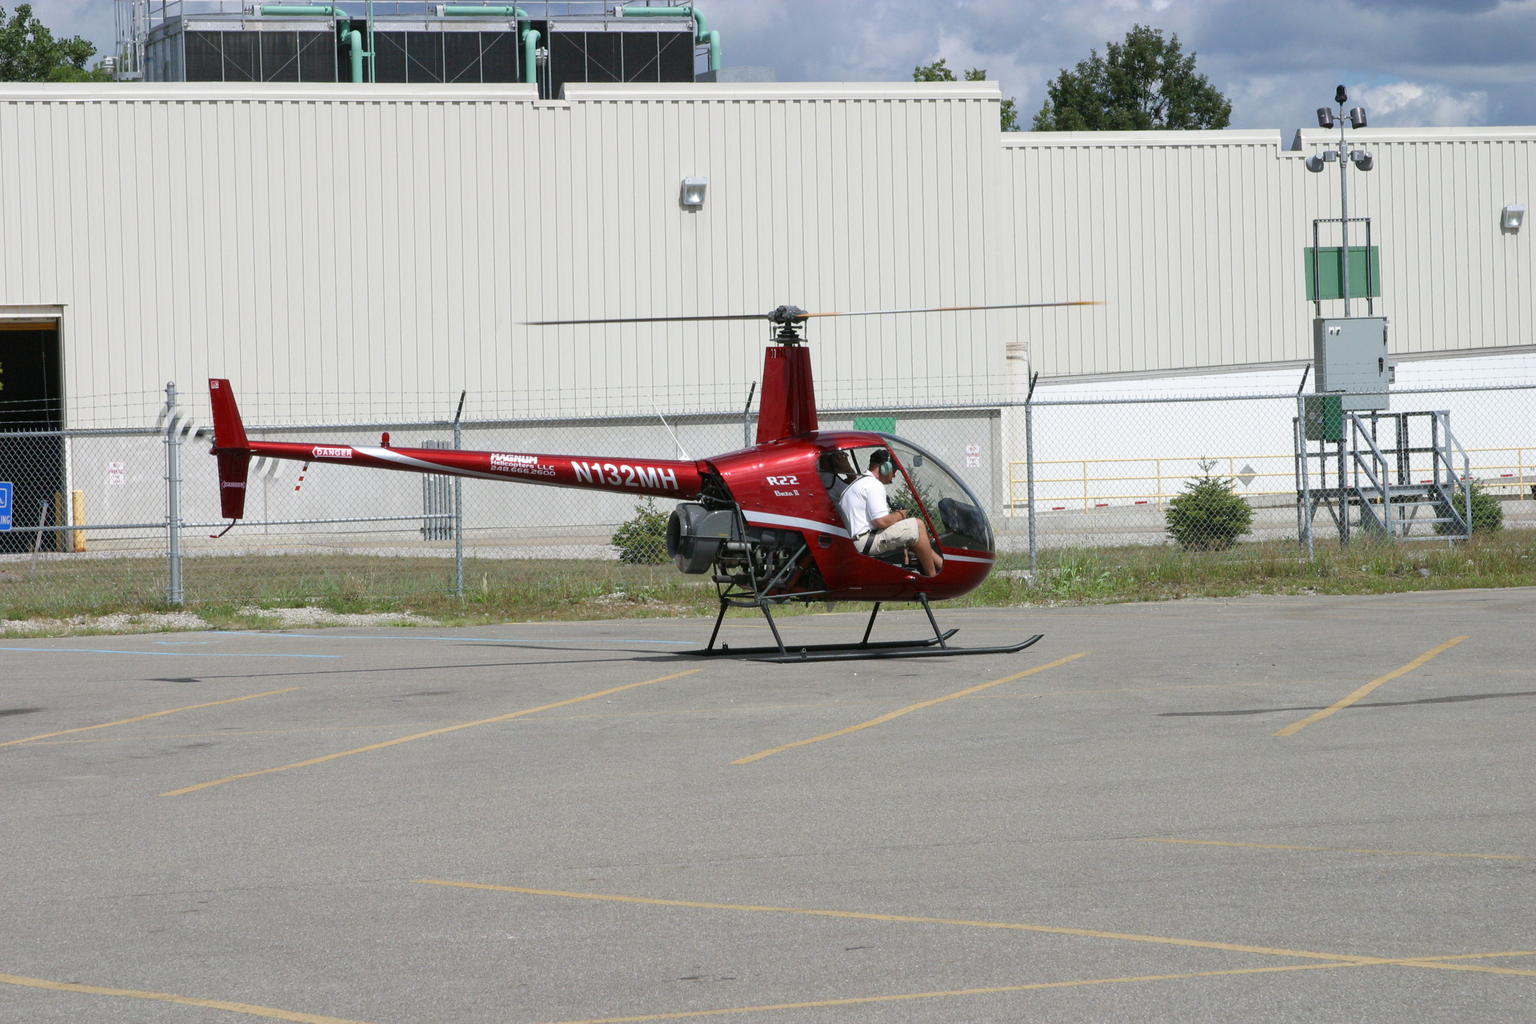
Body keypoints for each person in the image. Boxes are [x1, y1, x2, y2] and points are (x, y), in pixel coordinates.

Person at [838, 448, 943, 577]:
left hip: (854, 541)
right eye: (894, 471)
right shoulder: (873, 485)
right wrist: (900, 514)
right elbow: (881, 521)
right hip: (864, 542)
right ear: (885, 468)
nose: (894, 476)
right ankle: (933, 577)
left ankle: (942, 567)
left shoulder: (859, 482)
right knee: (918, 525)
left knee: (914, 534)